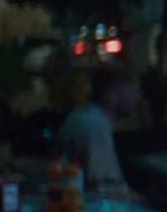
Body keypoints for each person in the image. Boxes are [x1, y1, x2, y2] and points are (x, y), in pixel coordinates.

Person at [57, 65, 139, 197]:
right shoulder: (95, 125)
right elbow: (106, 186)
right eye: (131, 92)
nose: (136, 98)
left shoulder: (88, 117)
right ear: (110, 94)